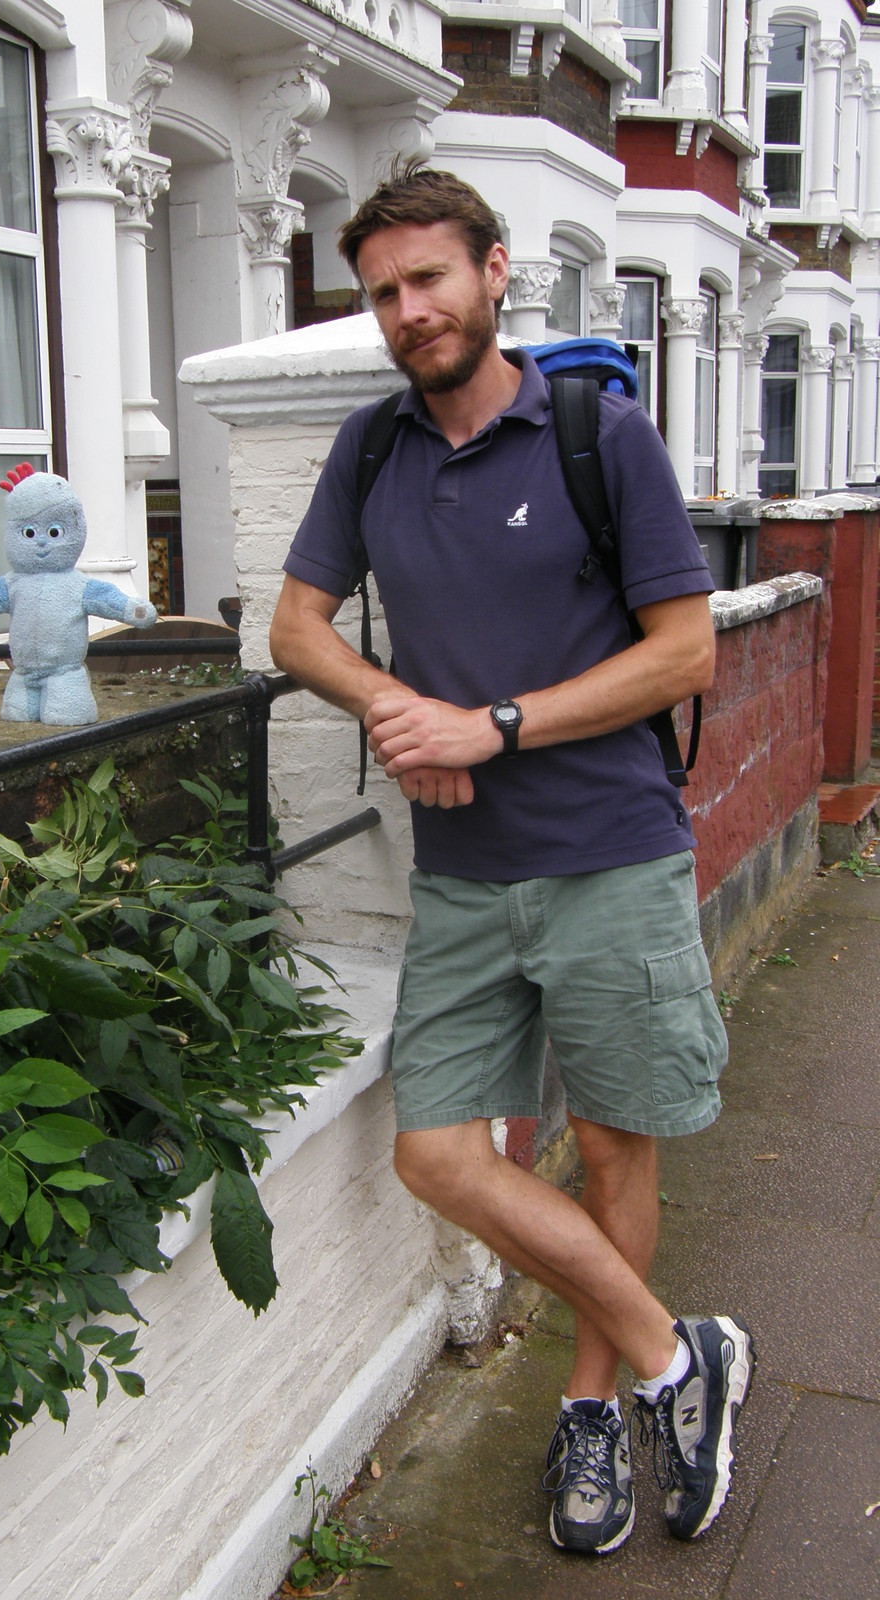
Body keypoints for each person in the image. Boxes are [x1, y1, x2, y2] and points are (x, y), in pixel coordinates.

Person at [269, 161, 754, 1558]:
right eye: (382, 294)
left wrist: (489, 723)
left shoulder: (601, 438)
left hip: (609, 855)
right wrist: (387, 704)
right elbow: (297, 627)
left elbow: (684, 652)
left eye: (429, 278)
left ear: (492, 273)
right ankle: (680, 1357)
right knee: (439, 1153)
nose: (409, 311)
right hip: (466, 876)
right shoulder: (372, 451)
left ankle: (595, 1405)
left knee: (611, 1143)